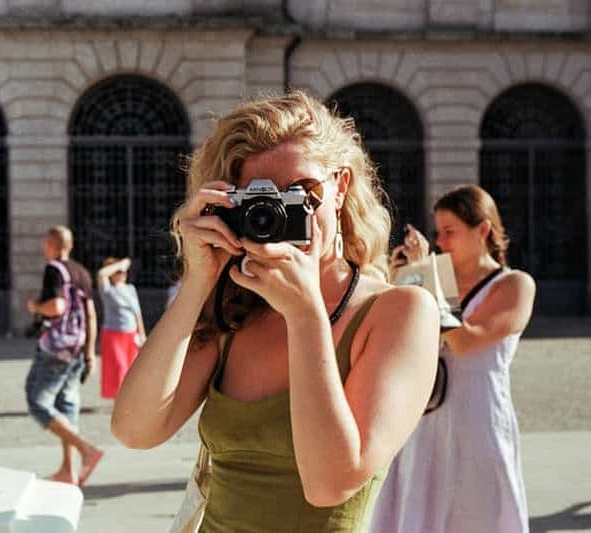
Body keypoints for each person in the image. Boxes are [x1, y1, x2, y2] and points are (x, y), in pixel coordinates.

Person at [111, 91, 440, 532]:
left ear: (340, 187)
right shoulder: (236, 310)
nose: (282, 215)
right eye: (262, 201)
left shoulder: (399, 312)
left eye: (303, 192)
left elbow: (330, 482)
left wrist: (305, 317)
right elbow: (135, 429)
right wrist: (197, 282)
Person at [373, 185, 536, 533]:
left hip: (477, 417)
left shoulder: (515, 285)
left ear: (483, 229)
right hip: (424, 415)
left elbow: (464, 341)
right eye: (438, 232)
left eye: (450, 232)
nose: (441, 242)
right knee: (419, 509)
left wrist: (427, 276)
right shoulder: (435, 279)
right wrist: (400, 278)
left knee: (477, 510)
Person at [25, 226, 104, 486]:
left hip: (55, 349)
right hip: (78, 350)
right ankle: (68, 471)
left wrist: (35, 306)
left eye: (45, 244)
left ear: (52, 245)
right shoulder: (81, 272)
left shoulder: (53, 269)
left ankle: (86, 450)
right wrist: (90, 353)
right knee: (66, 406)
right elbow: (91, 315)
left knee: (38, 401)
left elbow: (57, 306)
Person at [96, 256, 146, 399]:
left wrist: (142, 334)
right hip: (113, 334)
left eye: (123, 272)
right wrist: (120, 264)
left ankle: (128, 397)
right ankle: (120, 398)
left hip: (131, 334)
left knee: (130, 368)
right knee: (119, 367)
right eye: (118, 272)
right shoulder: (107, 290)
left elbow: (138, 312)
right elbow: (101, 274)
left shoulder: (130, 288)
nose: (122, 274)